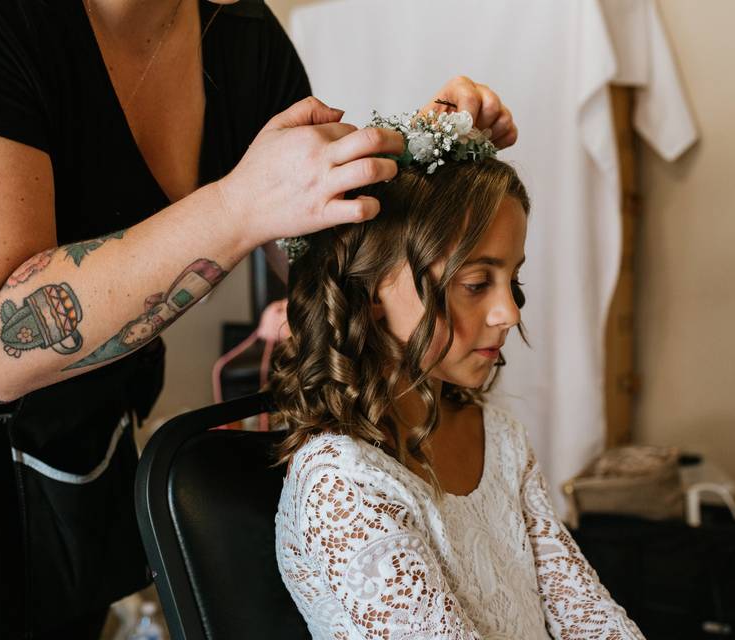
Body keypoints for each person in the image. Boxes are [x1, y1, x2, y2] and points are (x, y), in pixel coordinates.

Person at [0, 0, 518, 636]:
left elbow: (323, 259)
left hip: (88, 439)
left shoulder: (239, 34)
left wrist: (414, 163)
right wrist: (236, 207)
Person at [271, 110, 645, 638]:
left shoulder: (502, 438)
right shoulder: (343, 484)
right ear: (371, 291)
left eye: (511, 279)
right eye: (475, 283)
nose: (509, 313)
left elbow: (584, 613)